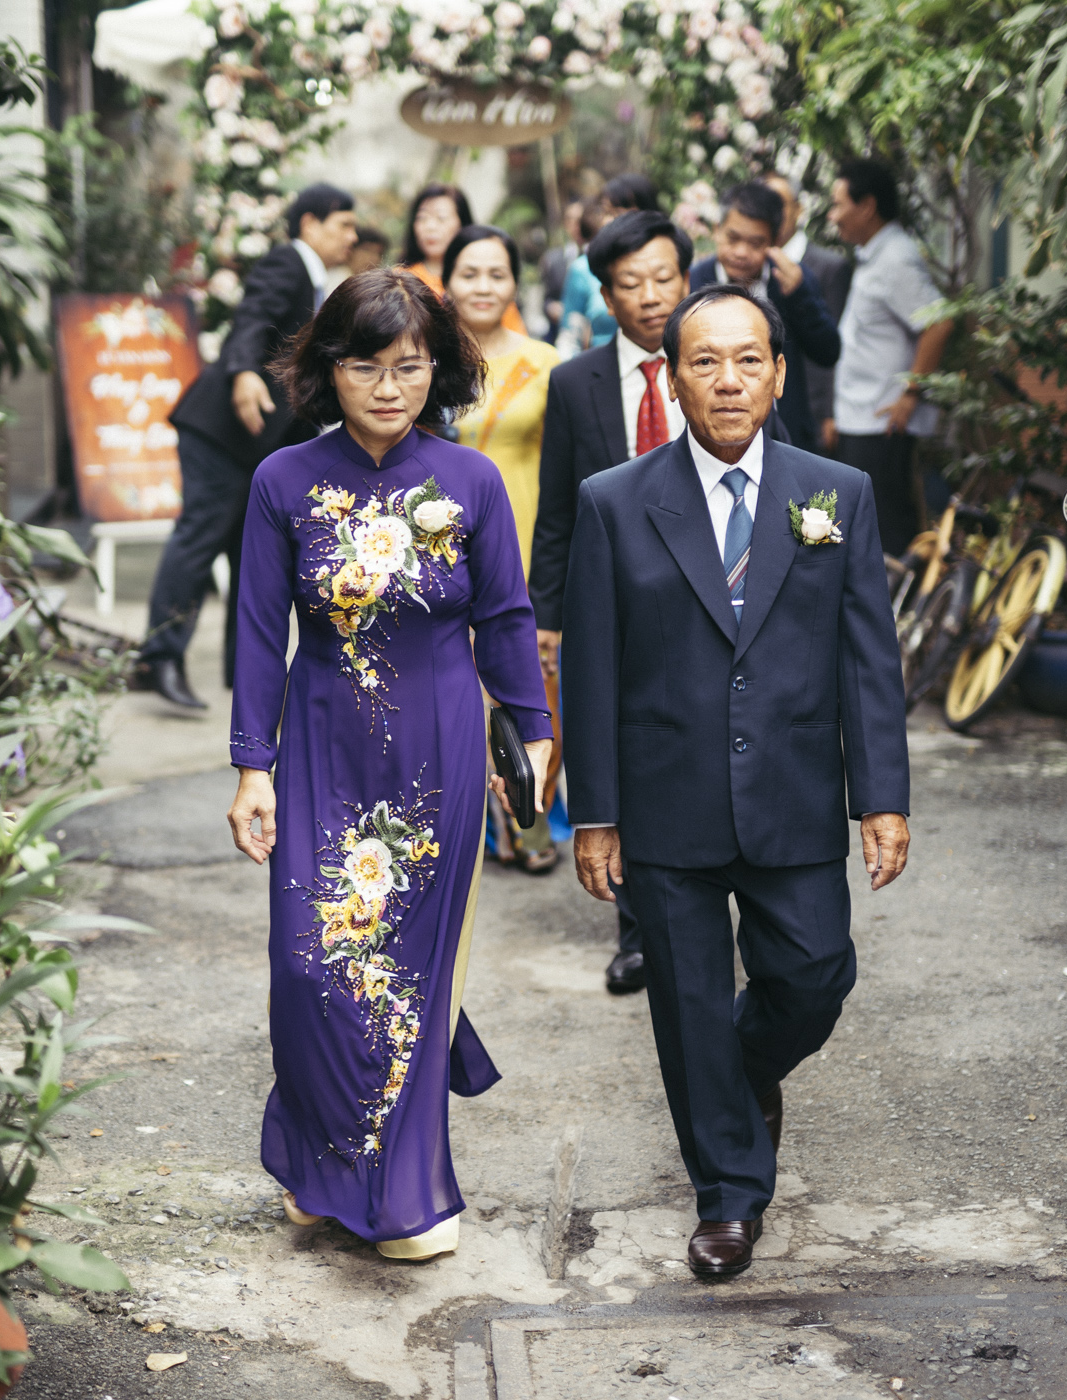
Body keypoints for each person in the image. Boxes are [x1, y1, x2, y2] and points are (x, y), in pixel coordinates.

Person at [558, 283, 911, 1280]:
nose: (728, 380)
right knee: (687, 1002)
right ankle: (728, 1195)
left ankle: (738, 1072)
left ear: (778, 374)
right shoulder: (615, 501)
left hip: (794, 791)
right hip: (665, 794)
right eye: (705, 362)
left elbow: (868, 658)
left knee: (815, 972)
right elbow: (592, 667)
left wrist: (882, 796)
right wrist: (595, 814)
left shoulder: (835, 493)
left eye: (748, 359)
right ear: (673, 379)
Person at [224, 268, 554, 1261]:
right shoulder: (283, 482)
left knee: (407, 971)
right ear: (330, 368)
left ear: (435, 371)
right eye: (366, 366)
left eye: (409, 367)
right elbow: (257, 634)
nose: (388, 387)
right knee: (310, 966)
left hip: (438, 750)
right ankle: (320, 1156)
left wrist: (534, 729)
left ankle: (404, 1194)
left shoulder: (470, 481)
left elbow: (507, 617)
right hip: (322, 742)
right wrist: (252, 765)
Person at [528, 209, 789, 995]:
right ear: (605, 295)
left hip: (721, 591)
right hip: (622, 601)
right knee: (630, 752)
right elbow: (558, 512)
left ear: (686, 277)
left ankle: (736, 903)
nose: (649, 295)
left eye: (663, 278)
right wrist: (548, 618)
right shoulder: (573, 382)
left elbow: (782, 473)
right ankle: (642, 932)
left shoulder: (733, 371)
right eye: (629, 283)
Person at [148, 183, 358, 710]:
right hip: (222, 432)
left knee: (253, 558)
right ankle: (158, 658)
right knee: (199, 539)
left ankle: (245, 673)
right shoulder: (289, 262)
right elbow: (251, 316)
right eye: (344, 225)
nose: (352, 237)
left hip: (260, 446)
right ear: (309, 224)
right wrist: (243, 372)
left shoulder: (318, 281)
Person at [444, 224, 565, 874]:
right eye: (470, 273)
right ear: (447, 281)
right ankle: (476, 825)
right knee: (459, 689)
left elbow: (565, 467)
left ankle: (531, 819)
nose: (484, 286)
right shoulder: (425, 363)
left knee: (527, 683)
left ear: (515, 282)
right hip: (442, 544)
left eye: (497, 273)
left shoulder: (546, 362)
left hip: (523, 539)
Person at [828, 158, 950, 558]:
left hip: (881, 424)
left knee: (887, 534)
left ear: (867, 207)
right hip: (861, 419)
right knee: (864, 531)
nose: (833, 216)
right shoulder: (874, 255)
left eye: (838, 205)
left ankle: (898, 598)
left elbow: (939, 321)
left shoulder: (895, 256)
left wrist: (911, 394)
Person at [687, 182, 841, 450]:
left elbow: (828, 351)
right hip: (712, 436)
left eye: (755, 243)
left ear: (775, 241)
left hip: (787, 436)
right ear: (717, 230)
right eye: (733, 238)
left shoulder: (791, 279)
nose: (741, 252)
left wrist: (799, 295)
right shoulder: (693, 282)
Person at [762, 173, 853, 452]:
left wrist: (828, 413)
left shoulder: (829, 266)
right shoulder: (751, 265)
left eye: (779, 203)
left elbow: (834, 344)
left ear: (798, 209)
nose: (772, 213)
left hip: (812, 415)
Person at [556, 174, 662, 354]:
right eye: (605, 212)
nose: (608, 221)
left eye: (618, 212)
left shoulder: (667, 262)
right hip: (602, 366)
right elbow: (569, 338)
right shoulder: (584, 269)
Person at [400, 184, 523, 332]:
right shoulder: (400, 281)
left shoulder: (491, 286)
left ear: (462, 223)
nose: (430, 226)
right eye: (422, 218)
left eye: (441, 218)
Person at [539, 200, 583, 342]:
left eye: (580, 219)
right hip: (561, 334)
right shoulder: (553, 259)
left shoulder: (598, 255)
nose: (575, 224)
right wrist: (551, 308)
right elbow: (547, 299)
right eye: (570, 219)